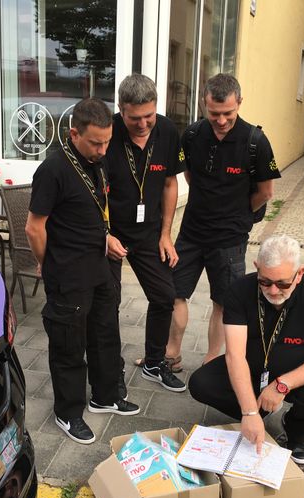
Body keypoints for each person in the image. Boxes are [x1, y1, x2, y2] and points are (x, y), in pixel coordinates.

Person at [25, 98, 141, 445]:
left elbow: (88, 211)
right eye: (96, 142)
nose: (103, 149)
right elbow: (34, 227)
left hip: (99, 267)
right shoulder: (53, 169)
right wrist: (47, 263)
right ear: (74, 133)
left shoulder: (96, 163)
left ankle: (105, 396)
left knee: (105, 334)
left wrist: (105, 238)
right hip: (69, 272)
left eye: (107, 141)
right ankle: (68, 412)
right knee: (69, 345)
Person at [188, 234, 304, 464]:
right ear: (256, 268)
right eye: (265, 281)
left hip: (296, 375)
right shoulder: (239, 291)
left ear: (299, 274)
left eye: (282, 283)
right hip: (253, 368)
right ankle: (259, 413)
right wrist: (250, 412)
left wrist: (282, 385)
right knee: (200, 383)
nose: (273, 290)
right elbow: (235, 355)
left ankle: (294, 432)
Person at [166, 73, 280, 369]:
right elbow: (190, 175)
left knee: (223, 302)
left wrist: (239, 212)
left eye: (228, 113)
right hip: (191, 232)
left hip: (229, 239)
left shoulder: (255, 141)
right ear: (204, 104)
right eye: (214, 113)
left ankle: (211, 361)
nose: (220, 120)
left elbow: (266, 191)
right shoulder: (191, 135)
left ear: (239, 103)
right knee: (175, 293)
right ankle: (171, 355)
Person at [105, 74, 187, 395]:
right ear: (121, 110)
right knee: (108, 302)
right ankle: (111, 369)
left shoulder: (166, 131)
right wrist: (104, 235)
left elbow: (169, 183)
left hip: (150, 232)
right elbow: (93, 191)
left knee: (164, 296)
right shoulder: (107, 133)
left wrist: (166, 234)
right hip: (112, 234)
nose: (143, 124)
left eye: (148, 116)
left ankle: (155, 361)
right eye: (134, 118)